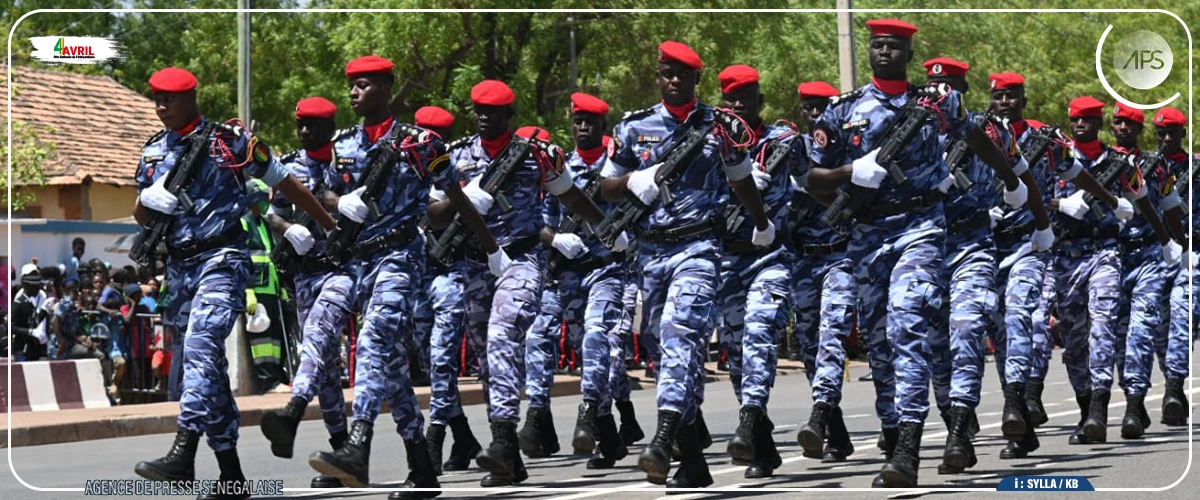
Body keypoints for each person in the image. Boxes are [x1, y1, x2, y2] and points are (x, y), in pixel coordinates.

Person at [131, 67, 336, 499]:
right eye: (156, 99)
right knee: (210, 369)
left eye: (169, 99)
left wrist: (327, 225)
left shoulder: (231, 141)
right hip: (181, 269)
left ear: (191, 98)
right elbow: (143, 216)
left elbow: (284, 181)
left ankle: (183, 453)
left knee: (202, 349)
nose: (161, 107)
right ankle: (231, 475)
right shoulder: (152, 151)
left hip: (223, 258)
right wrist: (144, 203)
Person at [306, 56, 497, 500]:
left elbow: (456, 196)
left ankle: (358, 443)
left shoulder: (422, 143)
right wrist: (340, 203)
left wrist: (492, 248)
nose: (354, 93)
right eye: (350, 86)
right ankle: (422, 466)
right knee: (391, 366)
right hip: (360, 263)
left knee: (371, 342)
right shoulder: (343, 143)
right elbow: (325, 190)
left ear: (387, 89)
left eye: (364, 85)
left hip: (400, 257)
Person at [805, 19, 971, 487]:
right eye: (877, 45)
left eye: (893, 47)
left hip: (920, 224)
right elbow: (810, 180)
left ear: (908, 54)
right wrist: (849, 174)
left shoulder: (937, 103)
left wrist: (1014, 180)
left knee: (907, 322)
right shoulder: (843, 111)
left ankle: (909, 448)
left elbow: (975, 135)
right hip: (868, 234)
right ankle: (893, 430)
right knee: (879, 344)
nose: (884, 52)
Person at [600, 41, 773, 489]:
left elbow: (740, 179)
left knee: (680, 332)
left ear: (697, 79)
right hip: (651, 253)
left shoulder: (721, 127)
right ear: (657, 76)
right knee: (665, 347)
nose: (673, 80)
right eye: (665, 73)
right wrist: (633, 180)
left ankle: (661, 441)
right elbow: (607, 187)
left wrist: (761, 223)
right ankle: (694, 461)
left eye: (682, 74)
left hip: (699, 248)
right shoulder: (634, 127)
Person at [431, 79, 608, 489]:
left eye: (491, 112)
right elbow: (435, 214)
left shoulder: (536, 157)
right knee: (489, 361)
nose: (482, 117)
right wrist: (462, 199)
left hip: (522, 259)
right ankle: (511, 458)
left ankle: (503, 440)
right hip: (477, 266)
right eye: (477, 110)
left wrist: (609, 228)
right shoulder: (456, 156)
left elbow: (572, 197)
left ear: (509, 116)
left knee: (502, 334)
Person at [921, 57, 1053, 474]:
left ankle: (999, 409)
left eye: (951, 86)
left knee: (978, 327)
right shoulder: (908, 129)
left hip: (980, 244)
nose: (942, 93)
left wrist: (1042, 223)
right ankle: (961, 419)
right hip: (924, 247)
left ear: (963, 88)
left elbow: (1021, 174)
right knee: (936, 345)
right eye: (934, 86)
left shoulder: (990, 130)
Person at [528, 92, 632, 469]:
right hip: (569, 274)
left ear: (602, 126)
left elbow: (637, 210)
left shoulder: (617, 164)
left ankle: (588, 413)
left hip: (606, 269)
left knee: (595, 338)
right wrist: (555, 239)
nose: (583, 127)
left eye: (590, 121)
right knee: (589, 354)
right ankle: (609, 437)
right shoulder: (559, 167)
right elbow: (541, 221)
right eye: (577, 121)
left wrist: (624, 237)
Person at [259, 96, 353, 489]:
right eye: (300, 125)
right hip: (304, 274)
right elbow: (269, 210)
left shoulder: (348, 162)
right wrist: (286, 230)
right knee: (327, 368)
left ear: (330, 127)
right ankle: (342, 453)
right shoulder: (290, 164)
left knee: (315, 339)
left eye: (312, 125)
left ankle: (293, 410)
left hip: (342, 269)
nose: (304, 131)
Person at [711, 65, 795, 479]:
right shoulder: (710, 144)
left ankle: (748, 419)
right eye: (732, 99)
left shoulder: (785, 142)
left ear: (761, 102)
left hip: (771, 256)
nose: (739, 105)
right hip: (727, 260)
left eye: (747, 98)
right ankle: (763, 445)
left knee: (760, 334)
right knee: (737, 356)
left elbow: (817, 179)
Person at [1050, 96, 1137, 446]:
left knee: (1102, 326)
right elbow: (1031, 196)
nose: (1080, 125)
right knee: (1072, 341)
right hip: (1067, 255)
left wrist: (1126, 206)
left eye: (1087, 120)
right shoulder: (1057, 157)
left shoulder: (1117, 161)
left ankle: (1100, 406)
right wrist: (1060, 204)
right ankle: (1086, 407)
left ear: (1099, 124)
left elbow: (1142, 196)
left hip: (1105, 251)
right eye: (1075, 120)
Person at [987, 71, 1058, 459]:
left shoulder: (1045, 138)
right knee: (999, 330)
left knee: (1019, 316)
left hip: (1031, 241)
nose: (1005, 102)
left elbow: (1077, 172)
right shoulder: (979, 136)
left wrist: (1066, 208)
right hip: (987, 245)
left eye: (1012, 95)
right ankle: (1023, 428)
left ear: (1023, 99)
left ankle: (1016, 403)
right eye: (999, 96)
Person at [789, 80, 857, 463]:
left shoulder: (845, 153)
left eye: (820, 108)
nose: (814, 115)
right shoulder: (794, 151)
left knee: (832, 336)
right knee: (811, 349)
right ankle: (837, 431)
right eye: (808, 108)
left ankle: (818, 416)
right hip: (803, 260)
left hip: (839, 257)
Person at [1153, 106, 1193, 427]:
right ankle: (1173, 387)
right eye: (1161, 133)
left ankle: (1174, 390)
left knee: (1182, 317)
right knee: (1159, 326)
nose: (1167, 139)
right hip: (1155, 253)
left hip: (1191, 253)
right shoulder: (1147, 167)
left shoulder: (1196, 168)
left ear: (1183, 133)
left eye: (1173, 133)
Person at [243, 178, 292, 393]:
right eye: (262, 199)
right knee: (261, 340)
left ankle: (278, 376)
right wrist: (248, 291)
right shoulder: (244, 223)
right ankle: (267, 381)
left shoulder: (263, 223)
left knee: (275, 338)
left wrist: (280, 286)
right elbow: (242, 259)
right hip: (257, 290)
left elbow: (270, 256)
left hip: (271, 288)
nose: (265, 203)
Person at [11, 264, 51, 361]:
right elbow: (12, 327)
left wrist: (44, 311)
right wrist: (29, 332)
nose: (37, 289)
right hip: (23, 348)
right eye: (34, 286)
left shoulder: (40, 297)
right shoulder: (19, 303)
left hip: (37, 347)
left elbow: (36, 321)